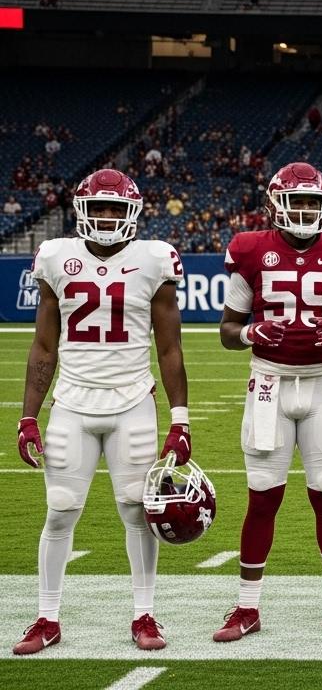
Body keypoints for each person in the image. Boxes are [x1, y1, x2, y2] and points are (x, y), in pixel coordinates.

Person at [14, 169, 190, 654]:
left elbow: (170, 349)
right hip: (71, 403)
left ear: (132, 213)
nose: (108, 217)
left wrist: (181, 420)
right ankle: (47, 617)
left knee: (137, 510)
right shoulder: (56, 257)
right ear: (81, 212)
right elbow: (44, 344)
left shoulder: (154, 259)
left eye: (116, 208)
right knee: (60, 510)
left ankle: (144, 614)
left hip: (132, 401)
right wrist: (29, 416)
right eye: (99, 208)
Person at [213, 162, 322, 642]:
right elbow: (226, 331)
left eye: (311, 201)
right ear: (274, 204)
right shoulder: (249, 249)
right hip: (269, 384)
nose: (303, 210)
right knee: (263, 497)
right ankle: (246, 608)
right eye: (295, 200)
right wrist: (249, 331)